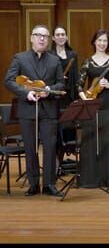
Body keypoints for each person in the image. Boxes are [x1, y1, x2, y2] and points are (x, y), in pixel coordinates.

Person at [4, 24, 64, 196]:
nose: (42, 38)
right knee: (30, 147)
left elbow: (61, 83)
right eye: (38, 35)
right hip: (28, 109)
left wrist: (48, 89)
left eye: (45, 36)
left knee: (50, 147)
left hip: (49, 110)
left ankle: (49, 184)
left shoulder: (54, 60)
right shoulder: (20, 58)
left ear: (48, 40)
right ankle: (33, 183)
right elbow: (9, 81)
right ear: (31, 38)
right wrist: (26, 93)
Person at [76, 29, 109, 188]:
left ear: (108, 43)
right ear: (94, 42)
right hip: (93, 106)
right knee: (91, 141)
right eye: (99, 40)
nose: (102, 43)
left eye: (105, 41)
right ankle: (91, 179)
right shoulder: (87, 62)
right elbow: (78, 85)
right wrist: (85, 98)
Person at [50, 26, 79, 171]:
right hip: (55, 98)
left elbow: (76, 77)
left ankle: (63, 161)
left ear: (66, 37)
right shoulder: (49, 55)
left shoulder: (73, 55)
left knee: (68, 129)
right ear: (53, 38)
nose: (61, 37)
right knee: (56, 132)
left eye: (63, 34)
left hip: (69, 97)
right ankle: (55, 165)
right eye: (58, 34)